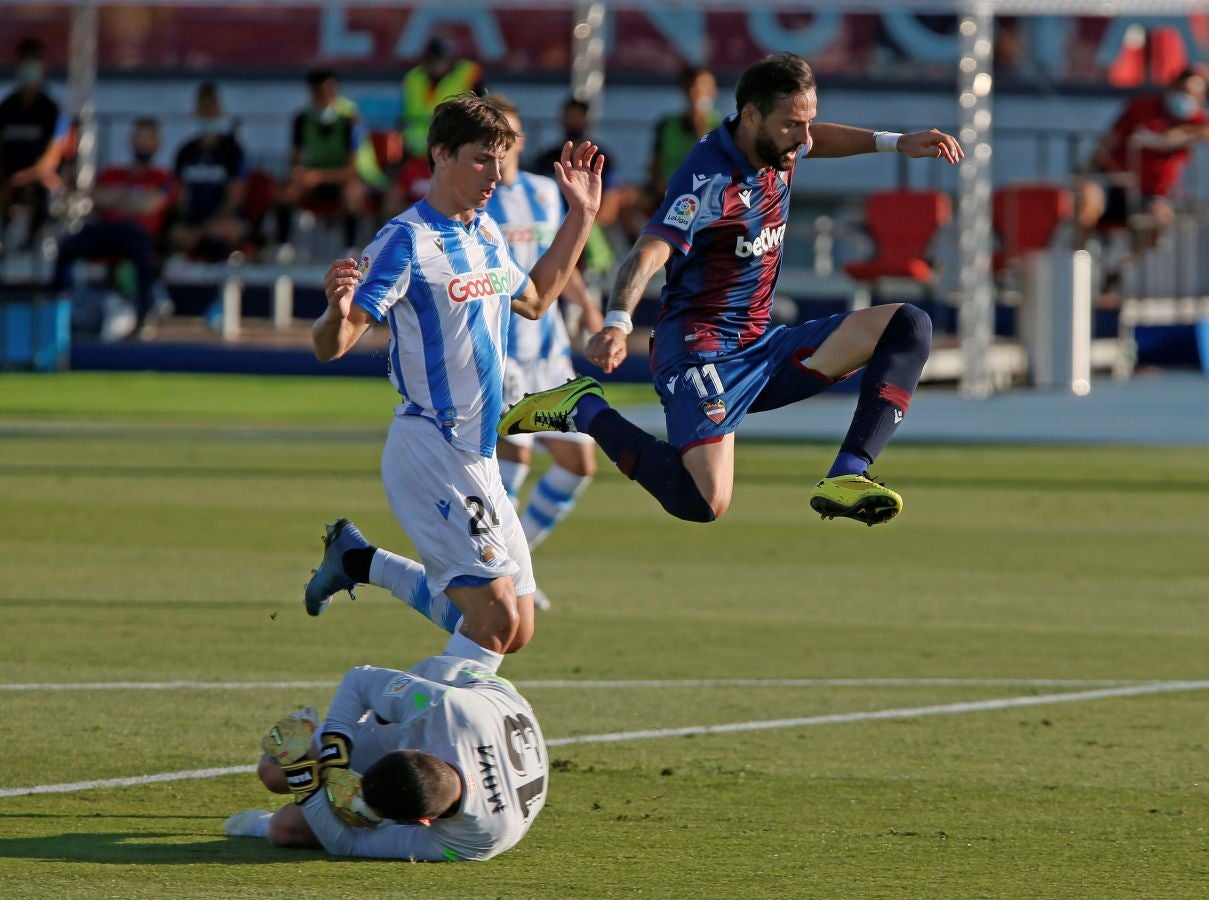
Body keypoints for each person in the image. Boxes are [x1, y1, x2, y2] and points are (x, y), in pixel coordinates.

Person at [499, 53, 962, 527]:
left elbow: (815, 138)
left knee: (908, 324)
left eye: (808, 122)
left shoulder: (779, 143)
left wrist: (896, 142)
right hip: (700, 352)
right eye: (792, 126)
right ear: (753, 116)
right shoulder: (708, 179)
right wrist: (618, 321)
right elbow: (650, 249)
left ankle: (848, 473)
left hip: (761, 348)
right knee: (703, 502)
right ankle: (584, 407)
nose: (803, 139)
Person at [301, 95, 603, 658]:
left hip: (478, 453)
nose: (495, 174)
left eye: (500, 159)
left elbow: (536, 300)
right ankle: (376, 718)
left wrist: (582, 216)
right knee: (492, 621)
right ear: (439, 155)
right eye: (480, 159)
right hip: (430, 448)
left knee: (515, 631)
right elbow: (334, 345)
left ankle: (358, 561)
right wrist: (333, 313)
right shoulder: (404, 241)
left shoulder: (485, 233)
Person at [224, 632, 547, 861]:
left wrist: (304, 784)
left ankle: (267, 819)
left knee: (286, 829)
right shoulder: (439, 709)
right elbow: (359, 680)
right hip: (461, 686)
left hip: (474, 741)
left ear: (422, 823)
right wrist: (338, 749)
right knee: (272, 772)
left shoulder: (475, 838)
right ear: (412, 750)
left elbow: (348, 846)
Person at [486, 96, 604, 605]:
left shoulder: (543, 192)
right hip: (504, 353)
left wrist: (591, 311)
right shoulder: (475, 202)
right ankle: (496, 577)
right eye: (494, 136)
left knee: (580, 464)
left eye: (510, 134)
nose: (504, 145)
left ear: (521, 140)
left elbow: (562, 263)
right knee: (513, 460)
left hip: (551, 351)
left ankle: (517, 566)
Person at [49, 116, 175, 337]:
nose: (142, 144)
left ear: (157, 144)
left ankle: (143, 313)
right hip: (106, 231)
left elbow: (150, 204)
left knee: (138, 241)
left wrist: (118, 198)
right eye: (138, 138)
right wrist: (131, 199)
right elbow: (95, 197)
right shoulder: (111, 173)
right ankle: (56, 308)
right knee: (67, 245)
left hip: (138, 236)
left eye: (148, 139)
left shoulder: (163, 177)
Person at [1074, 67, 1209, 255]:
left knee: (1160, 218)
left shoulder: (1194, 120)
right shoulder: (1143, 107)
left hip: (1150, 195)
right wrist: (1087, 169)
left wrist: (1183, 134)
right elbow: (1108, 141)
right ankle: (1079, 259)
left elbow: (1205, 132)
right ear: (1172, 87)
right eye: (1182, 90)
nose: (1185, 97)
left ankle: (1121, 268)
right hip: (1116, 185)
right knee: (1087, 197)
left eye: (1193, 95)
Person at [275, 68, 367, 255]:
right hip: (313, 177)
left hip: (341, 177)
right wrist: (299, 173)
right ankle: (283, 246)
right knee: (287, 192)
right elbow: (294, 159)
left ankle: (350, 249)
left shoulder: (349, 120)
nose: (324, 97)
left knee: (353, 195)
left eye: (328, 91)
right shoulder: (302, 119)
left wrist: (319, 176)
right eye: (318, 92)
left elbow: (351, 169)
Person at [0, 36, 68, 254]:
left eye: (34, 62)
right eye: (24, 62)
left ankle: (31, 247)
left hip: (41, 180)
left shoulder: (54, 110)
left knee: (39, 189)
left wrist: (26, 177)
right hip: (9, 178)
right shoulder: (7, 107)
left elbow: (52, 157)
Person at [170, 82, 248, 262]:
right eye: (203, 107)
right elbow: (179, 195)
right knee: (176, 235)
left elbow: (234, 197)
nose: (207, 112)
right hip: (194, 219)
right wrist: (184, 223)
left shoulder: (232, 151)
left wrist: (204, 228)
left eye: (211, 107)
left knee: (221, 232)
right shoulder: (186, 151)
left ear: (220, 110)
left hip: (223, 219)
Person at [400, 37, 486, 160]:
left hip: (450, 152)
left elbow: (485, 111)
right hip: (415, 153)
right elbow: (405, 114)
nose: (439, 65)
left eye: (443, 60)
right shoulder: (413, 78)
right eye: (435, 60)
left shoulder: (468, 74)